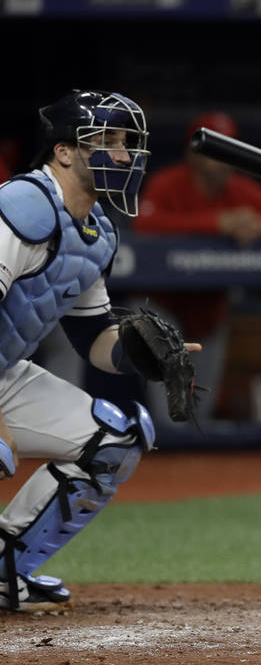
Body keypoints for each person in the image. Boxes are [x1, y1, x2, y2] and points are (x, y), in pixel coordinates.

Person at [0, 90, 200, 611]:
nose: (123, 153)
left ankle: (5, 570)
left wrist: (142, 353)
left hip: (5, 372)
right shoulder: (22, 205)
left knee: (119, 436)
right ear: (64, 152)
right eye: (106, 141)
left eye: (127, 143)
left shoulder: (96, 235)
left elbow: (92, 341)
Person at [133, 112, 261, 423]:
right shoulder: (168, 183)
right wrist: (216, 223)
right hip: (162, 306)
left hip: (210, 310)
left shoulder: (241, 190)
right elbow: (145, 224)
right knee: (170, 415)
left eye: (228, 149)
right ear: (192, 151)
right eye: (214, 148)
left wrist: (260, 224)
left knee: (199, 412)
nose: (222, 159)